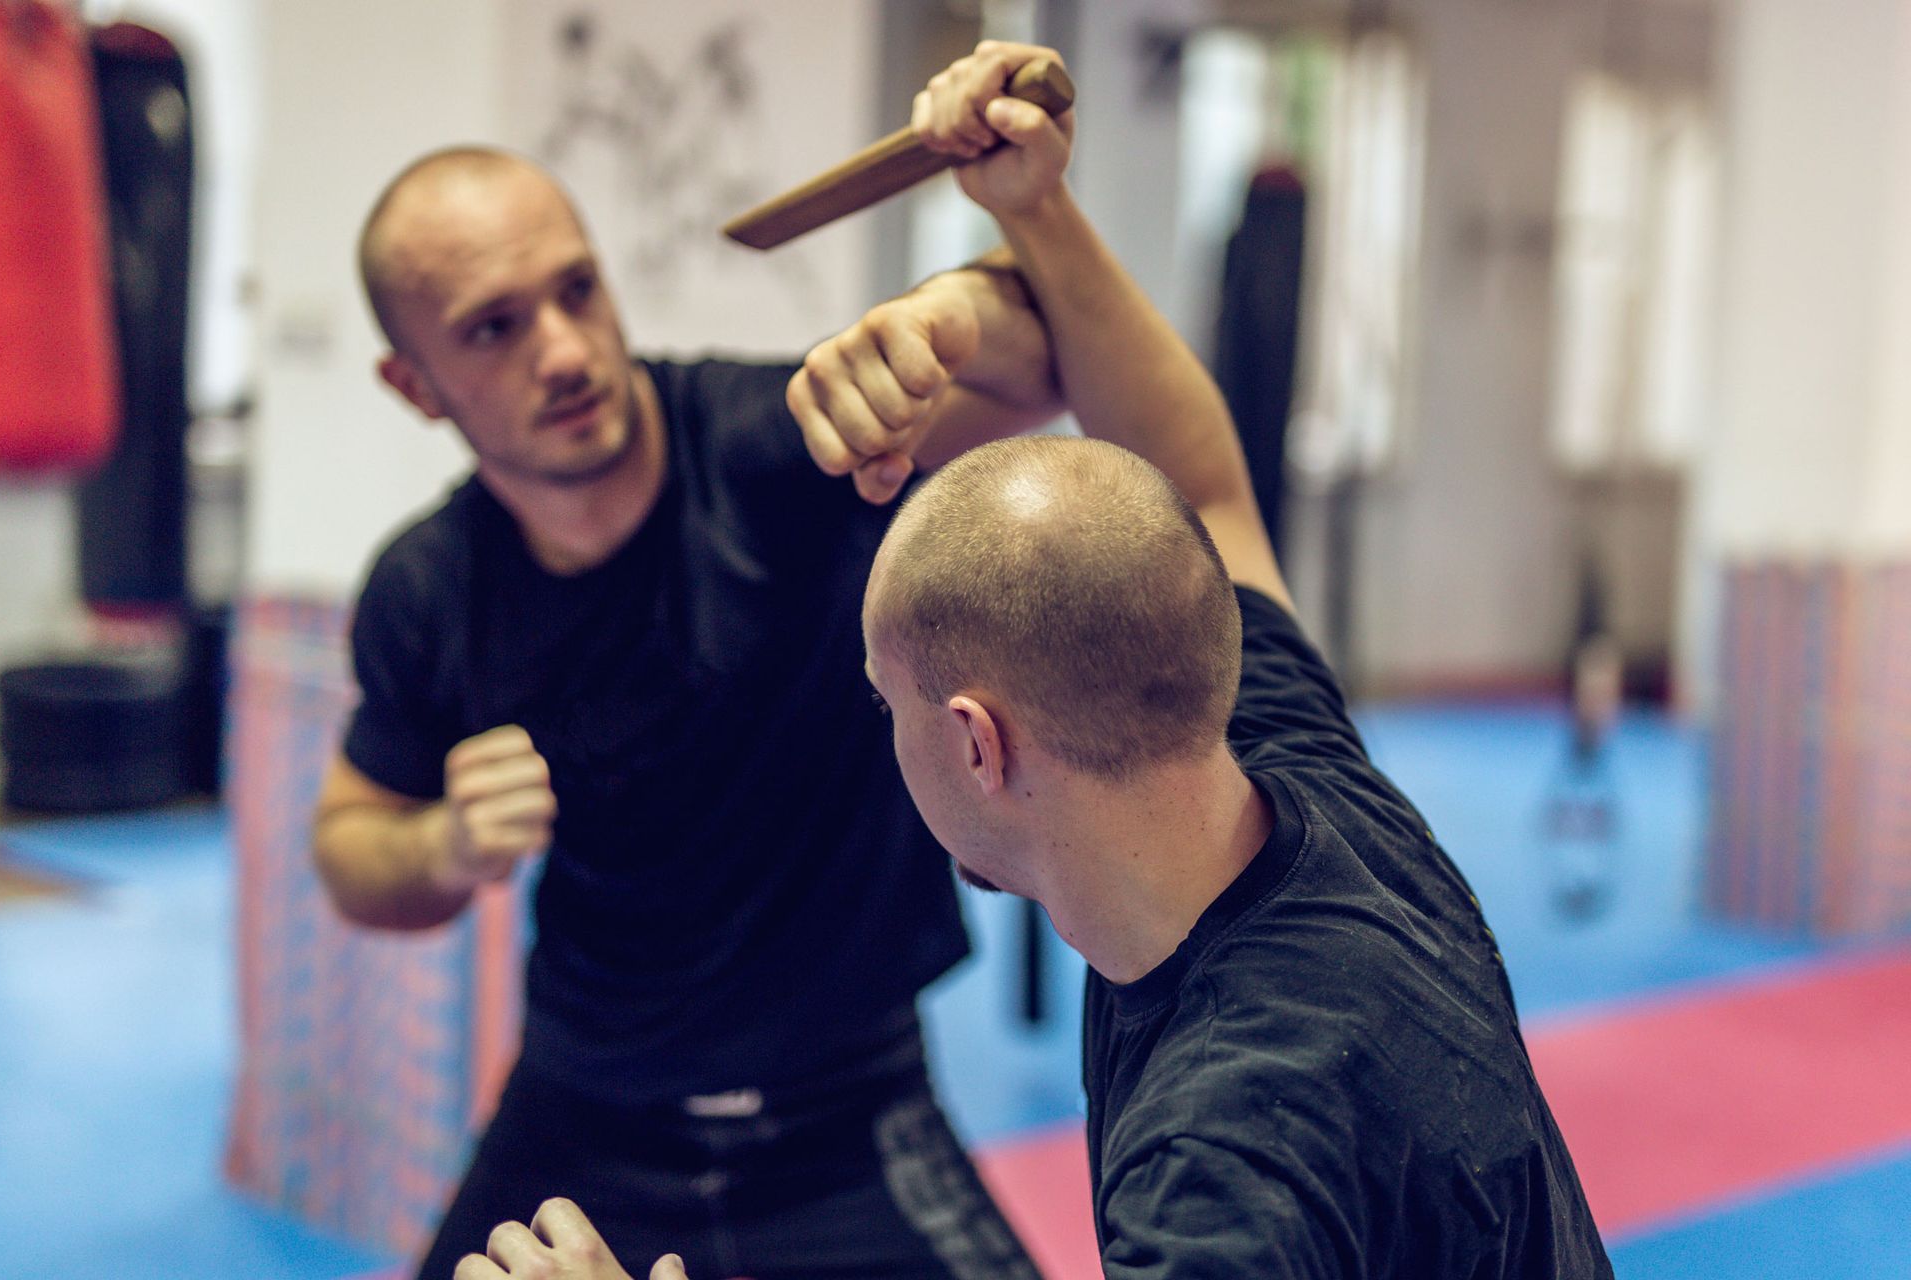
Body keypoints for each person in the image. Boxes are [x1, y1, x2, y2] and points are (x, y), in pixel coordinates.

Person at [456, 38, 1613, 1280]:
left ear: (975, 740)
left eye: (885, 703)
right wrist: (1034, 205)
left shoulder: (1226, 1159)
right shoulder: (1300, 774)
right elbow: (1204, 476)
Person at [312, 40, 1079, 1280]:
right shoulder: (429, 587)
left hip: (848, 1108)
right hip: (582, 1112)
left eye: (577, 289)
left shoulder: (778, 445)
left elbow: (1042, 365)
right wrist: (443, 845)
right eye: (495, 328)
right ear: (416, 384)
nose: (566, 350)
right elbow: (350, 846)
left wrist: (942, 315)